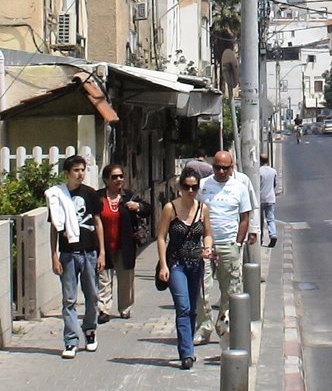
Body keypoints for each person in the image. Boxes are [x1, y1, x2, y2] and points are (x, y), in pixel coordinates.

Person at [45, 154, 105, 359]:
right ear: (67, 173)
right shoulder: (57, 197)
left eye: (82, 170)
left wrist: (102, 252)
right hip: (68, 254)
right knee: (69, 299)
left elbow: (97, 222)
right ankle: (71, 340)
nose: (80, 174)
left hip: (89, 252)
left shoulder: (90, 194)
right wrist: (53, 255)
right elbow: (54, 227)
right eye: (76, 170)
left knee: (93, 295)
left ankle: (89, 330)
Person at [192, 150, 253, 345]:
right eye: (217, 167)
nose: (221, 171)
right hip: (206, 246)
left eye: (225, 168)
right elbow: (194, 212)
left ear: (231, 168)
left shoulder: (239, 187)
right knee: (202, 288)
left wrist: (238, 242)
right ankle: (204, 327)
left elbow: (245, 218)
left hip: (229, 245)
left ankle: (223, 325)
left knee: (231, 290)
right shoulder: (203, 186)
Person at [156, 167, 214, 370]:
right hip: (176, 264)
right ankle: (187, 354)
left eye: (194, 187)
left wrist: (207, 248)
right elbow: (162, 237)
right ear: (180, 187)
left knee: (192, 309)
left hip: (195, 264)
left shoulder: (203, 209)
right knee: (183, 307)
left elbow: (207, 233)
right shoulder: (170, 208)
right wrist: (163, 264)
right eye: (187, 187)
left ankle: (187, 346)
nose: (190, 191)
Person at [96, 163, 150, 323]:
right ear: (106, 180)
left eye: (121, 176)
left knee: (125, 278)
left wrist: (138, 206)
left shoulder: (129, 196)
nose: (119, 180)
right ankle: (103, 309)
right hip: (104, 245)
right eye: (114, 177)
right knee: (103, 278)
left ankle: (125, 308)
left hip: (125, 245)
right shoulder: (98, 197)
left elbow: (147, 208)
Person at [259, 154, 278, 248]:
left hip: (260, 198)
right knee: (270, 218)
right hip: (271, 197)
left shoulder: (258, 172)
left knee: (260, 220)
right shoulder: (273, 171)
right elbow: (275, 184)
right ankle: (273, 234)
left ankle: (260, 238)